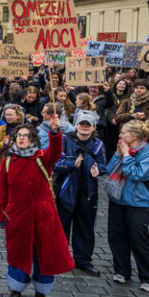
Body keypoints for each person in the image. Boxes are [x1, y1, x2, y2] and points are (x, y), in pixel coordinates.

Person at [0, 117, 74, 297]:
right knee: (18, 253)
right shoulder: (8, 160)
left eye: (26, 136)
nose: (21, 138)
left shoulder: (41, 158)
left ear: (33, 139)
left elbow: (55, 153)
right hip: (17, 215)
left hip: (42, 215)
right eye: (19, 135)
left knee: (44, 254)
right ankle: (16, 290)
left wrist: (54, 133)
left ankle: (41, 292)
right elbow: (2, 190)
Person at [105, 120, 149, 292]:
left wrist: (127, 156)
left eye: (123, 133)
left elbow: (136, 174)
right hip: (117, 199)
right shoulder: (123, 150)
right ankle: (121, 271)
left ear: (134, 136)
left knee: (139, 240)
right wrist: (118, 154)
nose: (120, 135)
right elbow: (110, 170)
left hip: (138, 203)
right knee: (117, 237)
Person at [53, 112, 106, 276]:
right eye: (82, 124)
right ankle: (58, 258)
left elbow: (104, 165)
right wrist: (72, 164)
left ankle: (83, 260)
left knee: (85, 228)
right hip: (66, 190)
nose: (84, 127)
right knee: (61, 227)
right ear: (76, 125)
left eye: (88, 125)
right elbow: (56, 163)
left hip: (88, 192)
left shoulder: (98, 144)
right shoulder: (65, 140)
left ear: (94, 127)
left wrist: (99, 170)